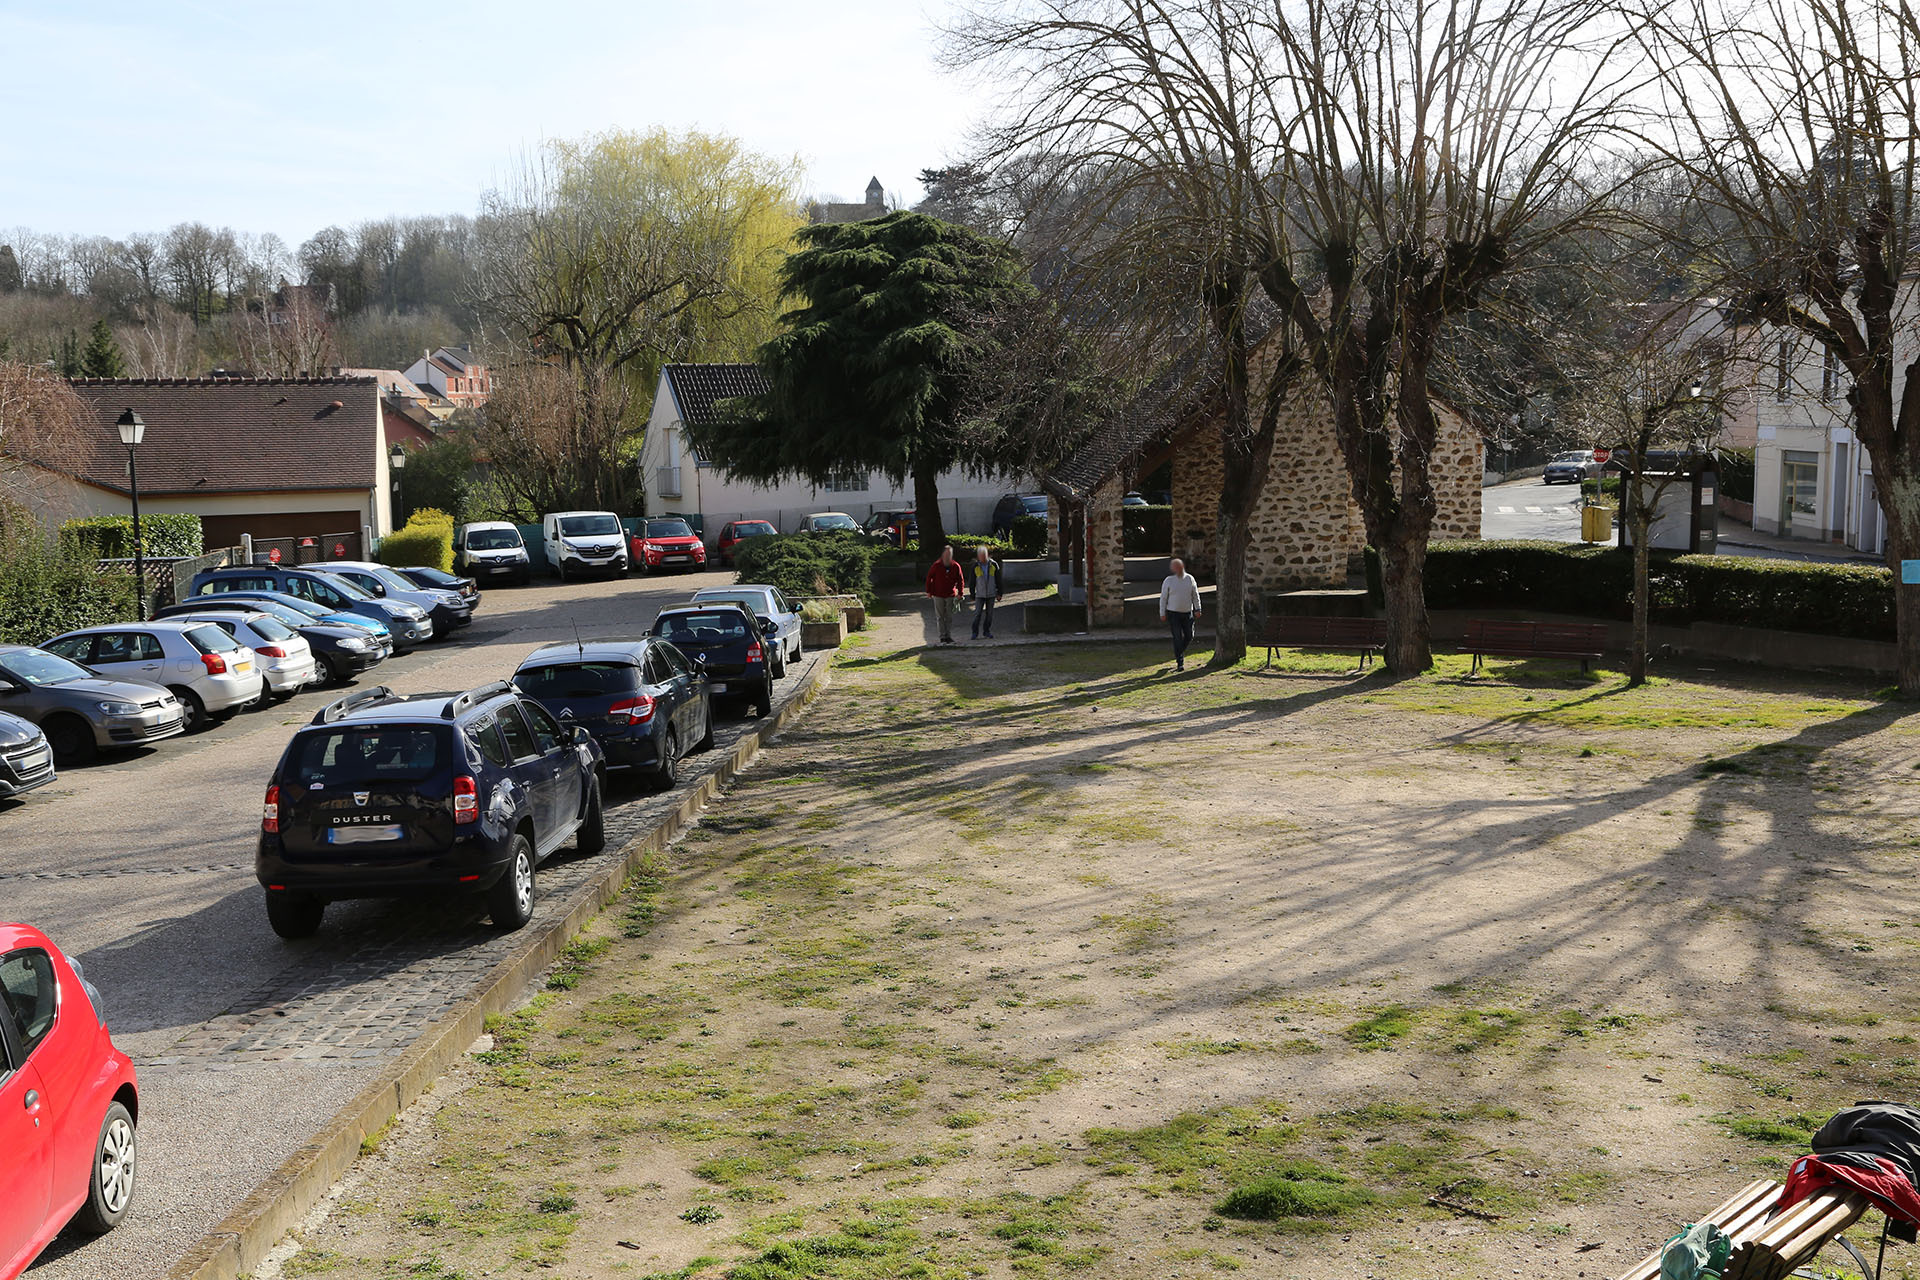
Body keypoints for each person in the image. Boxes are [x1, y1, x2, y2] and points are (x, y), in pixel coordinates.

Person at [1159, 557, 1202, 671]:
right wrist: (1162, 612)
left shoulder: (1190, 579)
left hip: (1188, 613)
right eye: (1174, 567)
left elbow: (1195, 595)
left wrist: (1198, 608)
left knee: (1189, 636)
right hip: (1173, 614)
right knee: (1177, 637)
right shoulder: (1168, 580)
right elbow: (1163, 598)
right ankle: (1180, 662)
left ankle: (1179, 651)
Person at [925, 544, 966, 645]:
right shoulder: (936, 565)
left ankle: (948, 636)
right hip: (938, 594)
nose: (948, 556)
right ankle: (942, 636)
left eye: (950, 554)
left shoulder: (956, 566)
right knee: (940, 616)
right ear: (943, 554)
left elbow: (960, 580)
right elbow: (929, 578)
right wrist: (929, 591)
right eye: (946, 553)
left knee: (949, 616)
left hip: (950, 594)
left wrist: (960, 593)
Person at [969, 545, 1003, 639]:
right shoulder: (975, 566)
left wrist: (1000, 593)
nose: (983, 558)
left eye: (984, 555)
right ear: (978, 556)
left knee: (989, 614)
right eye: (981, 556)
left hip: (991, 594)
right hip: (979, 594)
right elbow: (972, 581)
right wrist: (972, 594)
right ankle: (974, 632)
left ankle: (986, 631)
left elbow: (998, 580)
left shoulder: (994, 564)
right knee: (977, 614)